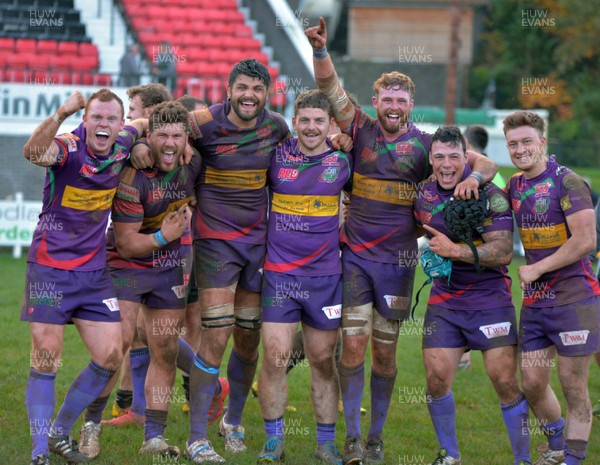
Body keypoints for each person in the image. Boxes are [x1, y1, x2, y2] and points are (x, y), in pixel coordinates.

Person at [305, 17, 498, 465]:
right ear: (375, 102)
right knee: (351, 347)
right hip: (354, 258)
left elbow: (485, 164)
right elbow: (332, 88)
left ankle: (376, 439)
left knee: (385, 357)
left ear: (412, 105)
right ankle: (352, 438)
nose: (393, 106)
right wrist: (319, 49)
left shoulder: (427, 147)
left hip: (398, 264)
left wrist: (469, 179)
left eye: (401, 100)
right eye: (386, 99)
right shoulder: (359, 128)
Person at [21, 90, 144, 465]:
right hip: (49, 269)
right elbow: (31, 153)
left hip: (92, 273)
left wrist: (150, 143)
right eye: (96, 118)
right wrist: (61, 113)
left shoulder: (124, 141)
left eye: (111, 119)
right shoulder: (68, 147)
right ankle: (40, 451)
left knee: (110, 354)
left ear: (120, 125)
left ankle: (60, 432)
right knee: (46, 357)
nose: (103, 125)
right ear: (85, 120)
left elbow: (147, 122)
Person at [183, 59, 290, 463]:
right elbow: (164, 128)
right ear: (228, 89)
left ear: (268, 93)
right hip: (214, 244)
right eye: (242, 87)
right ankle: (197, 437)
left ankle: (233, 422)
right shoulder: (202, 124)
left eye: (258, 89)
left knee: (248, 337)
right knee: (216, 332)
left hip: (258, 247)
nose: (249, 95)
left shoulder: (277, 127)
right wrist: (140, 140)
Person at [414, 126, 531, 465]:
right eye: (439, 157)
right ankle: (449, 455)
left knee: (505, 381)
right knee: (436, 378)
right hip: (445, 299)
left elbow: (502, 252)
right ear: (431, 160)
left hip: (488, 297)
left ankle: (522, 459)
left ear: (467, 157)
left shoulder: (491, 194)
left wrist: (454, 251)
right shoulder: (422, 194)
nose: (446, 164)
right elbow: (409, 226)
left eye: (454, 156)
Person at [256, 90, 351, 463]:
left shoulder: (344, 160)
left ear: (330, 125)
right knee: (276, 356)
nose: (311, 127)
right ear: (294, 122)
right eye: (305, 120)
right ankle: (273, 440)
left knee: (323, 360)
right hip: (280, 275)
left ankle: (326, 443)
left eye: (319, 121)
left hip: (326, 278)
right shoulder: (276, 156)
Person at [504, 111, 600, 465]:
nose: (520, 149)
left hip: (575, 301)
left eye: (527, 141)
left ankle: (573, 459)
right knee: (530, 383)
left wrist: (537, 268)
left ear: (543, 142)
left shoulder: (569, 182)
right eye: (513, 143)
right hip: (535, 305)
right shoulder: (513, 185)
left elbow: (586, 240)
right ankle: (557, 444)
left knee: (574, 387)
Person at [104, 101, 199, 458]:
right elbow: (127, 246)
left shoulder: (195, 158)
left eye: (178, 135)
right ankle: (86, 426)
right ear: (149, 135)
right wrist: (140, 140)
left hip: (173, 265)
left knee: (165, 347)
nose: (171, 142)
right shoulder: (132, 169)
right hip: (130, 263)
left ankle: (154, 436)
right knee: (115, 345)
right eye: (162, 134)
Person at [109, 82, 173, 421]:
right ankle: (132, 407)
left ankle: (211, 385)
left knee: (157, 336)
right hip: (132, 249)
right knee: (134, 333)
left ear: (150, 113)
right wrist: (134, 142)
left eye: (132, 112)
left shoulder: (177, 147)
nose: (127, 118)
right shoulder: (131, 147)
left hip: (170, 253)